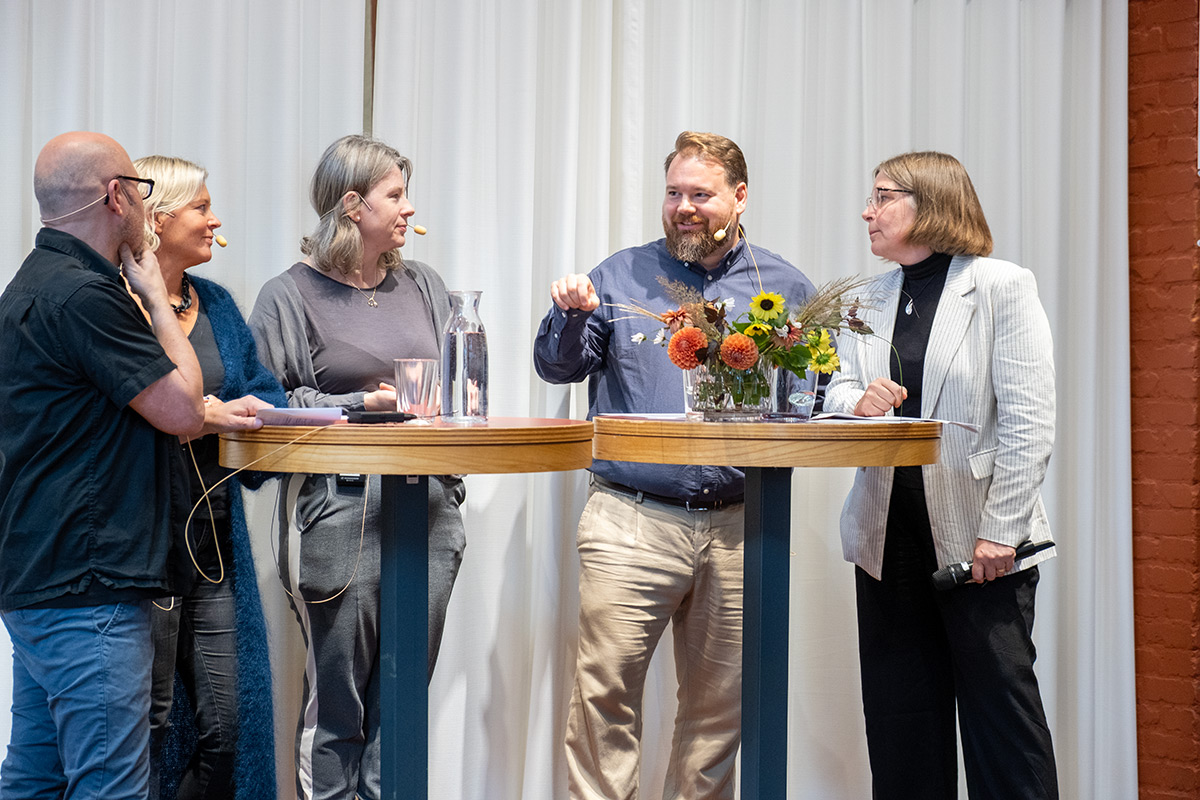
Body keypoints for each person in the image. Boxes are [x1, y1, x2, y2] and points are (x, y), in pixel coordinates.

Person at [534, 131, 815, 800]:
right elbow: (557, 368)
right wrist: (569, 315)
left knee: (719, 714)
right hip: (631, 519)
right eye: (673, 193)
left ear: (739, 197)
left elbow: (812, 398)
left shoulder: (783, 287)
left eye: (701, 195)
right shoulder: (617, 276)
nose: (684, 208)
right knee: (603, 698)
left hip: (743, 525)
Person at [824, 151, 1058, 799]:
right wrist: (859, 400)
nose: (867, 211)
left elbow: (1029, 421)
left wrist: (1001, 531)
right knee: (901, 732)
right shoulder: (864, 298)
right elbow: (833, 392)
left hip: (980, 547)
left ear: (929, 203)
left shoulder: (1001, 286)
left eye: (883, 196)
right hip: (886, 541)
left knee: (1002, 732)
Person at [248, 134, 466, 800]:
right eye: (395, 195)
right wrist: (357, 406)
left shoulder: (424, 284)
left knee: (403, 704)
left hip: (428, 508)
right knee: (338, 708)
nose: (409, 208)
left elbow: (453, 389)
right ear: (351, 205)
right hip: (339, 510)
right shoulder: (288, 295)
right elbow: (266, 404)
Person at [0, 132, 205, 798]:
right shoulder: (89, 296)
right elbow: (185, 410)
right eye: (140, 191)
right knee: (108, 788)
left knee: (34, 781)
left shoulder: (28, 285)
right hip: (89, 587)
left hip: (40, 577)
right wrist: (158, 300)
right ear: (118, 196)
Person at [130, 155, 287, 800]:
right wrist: (200, 414)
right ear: (158, 219)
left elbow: (263, 392)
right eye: (201, 207)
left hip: (213, 547)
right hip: (141, 550)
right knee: (147, 729)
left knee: (227, 730)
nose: (215, 220)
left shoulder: (216, 303)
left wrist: (250, 412)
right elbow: (108, 419)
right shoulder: (112, 305)